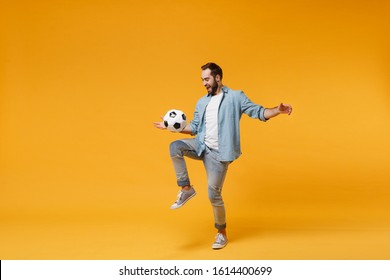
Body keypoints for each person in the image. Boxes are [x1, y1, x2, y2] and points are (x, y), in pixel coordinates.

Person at [154, 62, 292, 249]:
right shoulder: (202, 102)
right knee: (175, 147)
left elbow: (258, 112)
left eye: (207, 79)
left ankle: (221, 233)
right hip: (201, 145)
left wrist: (277, 110)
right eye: (202, 80)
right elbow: (194, 128)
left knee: (213, 194)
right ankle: (186, 188)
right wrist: (172, 127)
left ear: (217, 78)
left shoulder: (236, 97)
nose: (204, 83)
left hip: (219, 154)